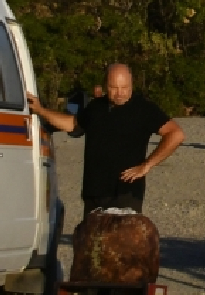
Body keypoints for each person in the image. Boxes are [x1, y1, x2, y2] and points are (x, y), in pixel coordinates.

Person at [27, 63, 184, 216]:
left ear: (132, 84)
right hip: (93, 194)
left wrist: (147, 165)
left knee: (122, 241)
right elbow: (72, 124)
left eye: (125, 88)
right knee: (92, 241)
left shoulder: (144, 109)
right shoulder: (96, 107)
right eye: (114, 88)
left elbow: (175, 134)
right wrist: (41, 110)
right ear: (105, 86)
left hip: (125, 194)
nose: (120, 93)